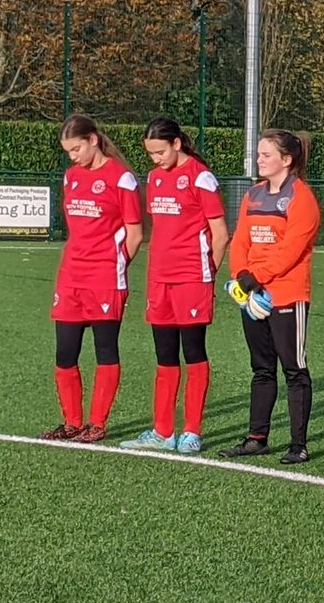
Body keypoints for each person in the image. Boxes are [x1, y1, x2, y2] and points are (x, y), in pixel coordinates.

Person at [118, 118, 228, 455]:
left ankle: (192, 431)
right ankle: (163, 430)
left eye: (160, 151)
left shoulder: (201, 177)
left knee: (193, 353)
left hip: (192, 278)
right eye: (150, 153)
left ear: (177, 144)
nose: (155, 159)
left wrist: (206, 273)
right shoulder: (154, 177)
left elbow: (221, 234)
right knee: (164, 355)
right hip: (159, 279)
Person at [219, 129, 320, 464]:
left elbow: (291, 249)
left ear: (286, 160)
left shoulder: (301, 198)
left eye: (265, 155)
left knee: (294, 368)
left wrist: (255, 277)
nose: (258, 160)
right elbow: (240, 241)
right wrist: (240, 278)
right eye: (259, 154)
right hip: (252, 294)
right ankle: (256, 437)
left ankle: (298, 445)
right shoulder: (253, 195)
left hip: (287, 294)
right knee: (261, 369)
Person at [41, 114, 143, 444]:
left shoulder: (122, 178)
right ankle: (71, 422)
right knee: (65, 353)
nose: (73, 157)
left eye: (76, 149)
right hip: (71, 275)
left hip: (104, 277)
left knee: (105, 350)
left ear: (93, 140)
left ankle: (96, 423)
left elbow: (135, 234)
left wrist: (115, 264)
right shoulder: (71, 177)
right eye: (68, 151)